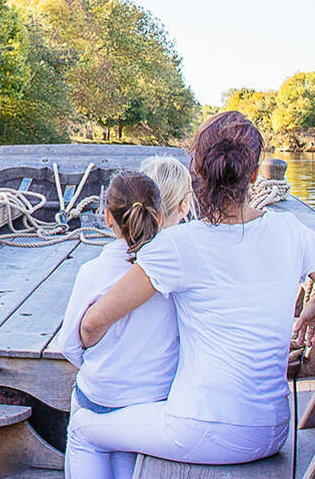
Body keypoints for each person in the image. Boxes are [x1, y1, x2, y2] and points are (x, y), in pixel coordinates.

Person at [66, 112, 315, 478]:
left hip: (199, 429)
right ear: (254, 173)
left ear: (196, 168)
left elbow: (95, 322)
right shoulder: (293, 232)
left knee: (84, 430)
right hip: (274, 430)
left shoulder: (178, 245)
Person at [56, 160, 193, 477]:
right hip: (152, 402)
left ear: (106, 218)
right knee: (125, 458)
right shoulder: (176, 273)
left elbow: (70, 345)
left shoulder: (92, 273)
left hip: (101, 397)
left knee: (84, 434)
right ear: (159, 216)